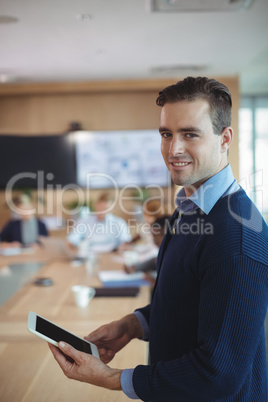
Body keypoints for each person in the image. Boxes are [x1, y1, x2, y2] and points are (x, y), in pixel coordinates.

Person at [48, 76, 268, 401]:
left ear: (225, 139)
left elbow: (217, 376)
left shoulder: (236, 237)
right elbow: (188, 298)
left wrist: (110, 378)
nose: (173, 148)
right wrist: (133, 325)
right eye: (166, 134)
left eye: (190, 134)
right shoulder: (190, 206)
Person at [67, 192, 132, 254]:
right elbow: (72, 239)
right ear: (96, 205)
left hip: (111, 254)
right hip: (88, 254)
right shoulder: (84, 221)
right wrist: (72, 245)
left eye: (106, 208)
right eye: (101, 208)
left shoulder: (119, 223)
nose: (103, 211)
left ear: (112, 209)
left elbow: (126, 241)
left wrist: (124, 246)